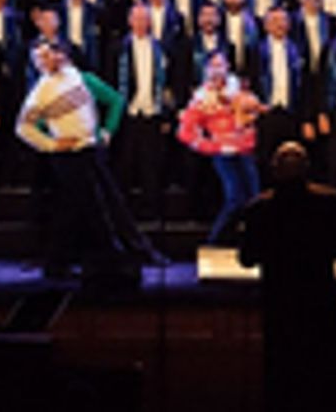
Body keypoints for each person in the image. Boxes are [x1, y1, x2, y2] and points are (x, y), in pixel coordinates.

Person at [15, 42, 163, 278]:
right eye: (43, 57)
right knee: (90, 208)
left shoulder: (76, 76)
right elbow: (23, 128)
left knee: (88, 206)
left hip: (90, 150)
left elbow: (111, 100)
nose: (50, 58)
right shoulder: (40, 92)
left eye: (52, 53)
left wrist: (104, 132)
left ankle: (63, 264)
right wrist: (52, 144)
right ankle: (103, 261)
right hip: (68, 157)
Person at [239, 143, 336, 412]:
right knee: (321, 370)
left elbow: (247, 258)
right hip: (319, 298)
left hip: (279, 299)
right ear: (308, 169)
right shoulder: (330, 202)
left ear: (273, 170)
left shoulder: (258, 208)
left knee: (281, 371)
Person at [176, 51, 265, 244]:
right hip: (223, 152)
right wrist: (212, 146)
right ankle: (213, 242)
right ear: (207, 70)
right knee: (234, 198)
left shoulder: (240, 92)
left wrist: (248, 129)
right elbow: (185, 132)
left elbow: (256, 114)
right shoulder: (202, 99)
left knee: (255, 199)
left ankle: (257, 244)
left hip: (245, 150)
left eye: (221, 65)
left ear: (228, 68)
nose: (217, 71)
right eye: (213, 66)